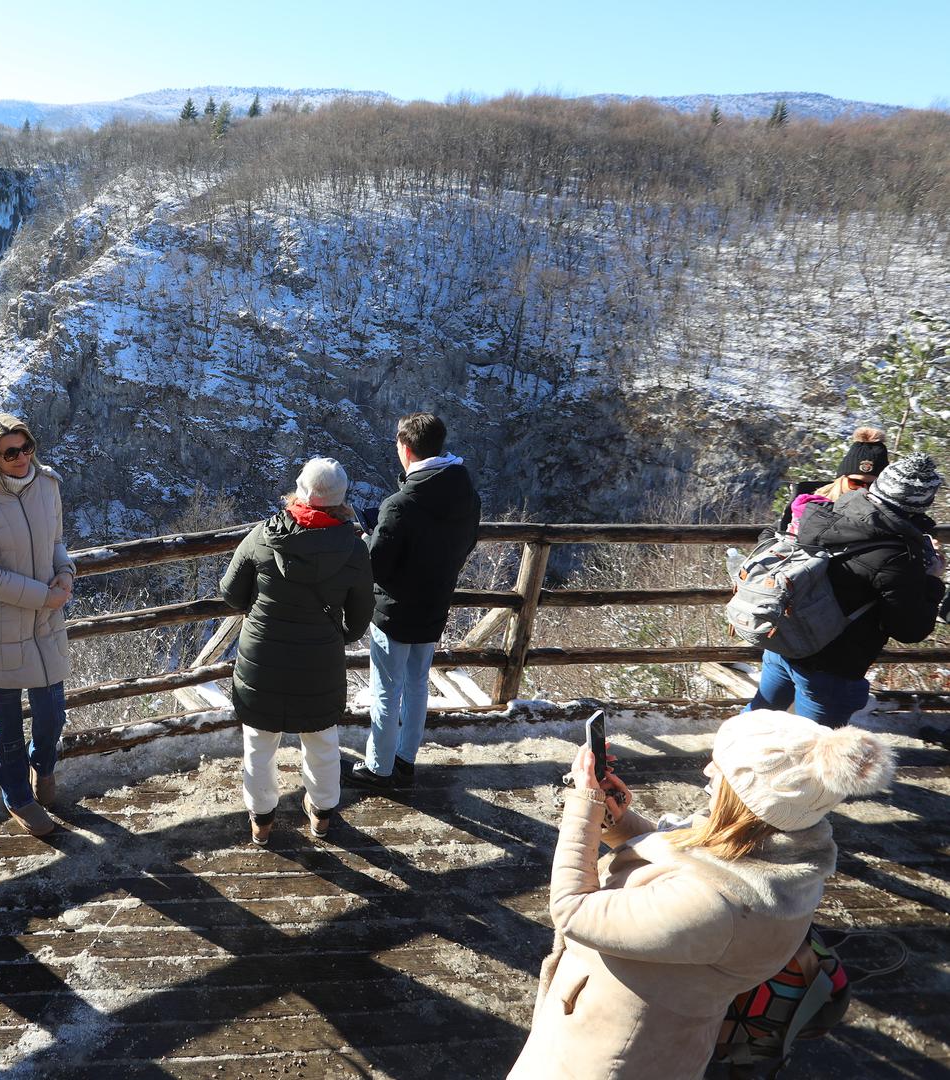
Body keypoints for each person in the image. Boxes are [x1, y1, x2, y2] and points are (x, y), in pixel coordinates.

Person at [509, 710, 895, 1078]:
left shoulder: (718, 907)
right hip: (620, 1029)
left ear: (755, 798)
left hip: (609, 1056)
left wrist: (584, 807)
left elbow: (573, 911)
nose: (707, 770)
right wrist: (618, 821)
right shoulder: (774, 850)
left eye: (721, 766)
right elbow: (685, 862)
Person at [220, 458, 373, 844]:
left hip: (262, 663)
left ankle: (262, 822)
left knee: (259, 745)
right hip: (319, 663)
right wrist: (329, 637)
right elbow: (359, 620)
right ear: (341, 500)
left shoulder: (263, 536)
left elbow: (230, 593)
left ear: (298, 492)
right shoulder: (353, 550)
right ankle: (321, 814)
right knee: (321, 741)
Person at [749, 453, 945, 727]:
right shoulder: (898, 556)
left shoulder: (827, 511)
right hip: (830, 665)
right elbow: (909, 629)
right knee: (816, 749)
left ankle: (724, 764)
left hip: (785, 640)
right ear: (921, 504)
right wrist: (933, 579)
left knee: (756, 721)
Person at [0, 413, 75, 837]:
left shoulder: (48, 485)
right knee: (6, 718)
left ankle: (42, 767)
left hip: (45, 621)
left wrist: (65, 573)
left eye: (27, 447)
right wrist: (45, 596)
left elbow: (57, 542)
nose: (22, 457)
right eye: (10, 452)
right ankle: (17, 797)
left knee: (52, 713)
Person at [345, 413, 480, 791]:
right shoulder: (466, 494)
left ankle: (379, 768)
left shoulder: (400, 505)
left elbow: (377, 566)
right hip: (435, 603)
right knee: (419, 684)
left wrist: (369, 536)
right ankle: (405, 761)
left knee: (387, 690)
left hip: (395, 611)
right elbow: (465, 543)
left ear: (405, 450)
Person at [777, 426, 888, 536]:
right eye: (856, 483)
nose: (864, 490)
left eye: (873, 485)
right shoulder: (808, 502)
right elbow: (774, 531)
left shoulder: (885, 515)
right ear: (841, 479)